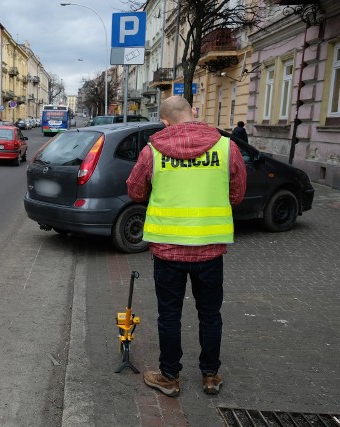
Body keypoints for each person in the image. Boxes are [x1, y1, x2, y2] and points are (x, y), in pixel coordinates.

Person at [126, 96, 247, 397]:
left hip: (167, 251)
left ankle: (169, 377)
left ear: (165, 121)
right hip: (209, 248)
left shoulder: (152, 150)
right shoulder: (226, 147)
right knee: (210, 314)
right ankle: (210, 376)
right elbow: (237, 194)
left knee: (169, 315)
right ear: (194, 113)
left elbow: (135, 190)